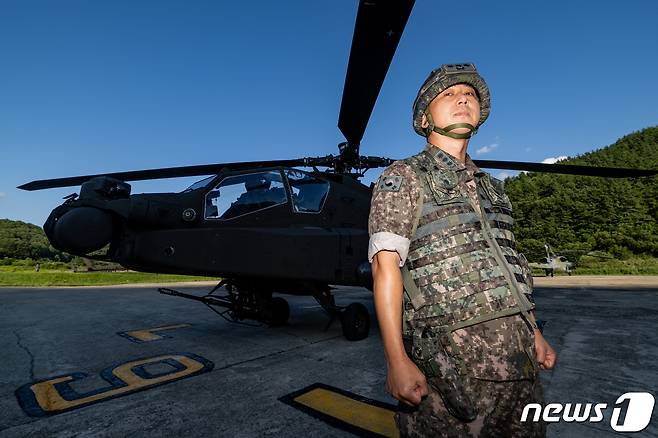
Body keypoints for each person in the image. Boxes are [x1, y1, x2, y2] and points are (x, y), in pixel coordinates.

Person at [368, 63, 556, 437]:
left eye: (468, 94)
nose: (462, 99)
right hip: (453, 368)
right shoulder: (404, 177)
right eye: (448, 94)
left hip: (519, 365)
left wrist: (533, 330)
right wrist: (396, 359)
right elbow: (384, 269)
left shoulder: (493, 188)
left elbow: (508, 265)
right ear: (425, 118)